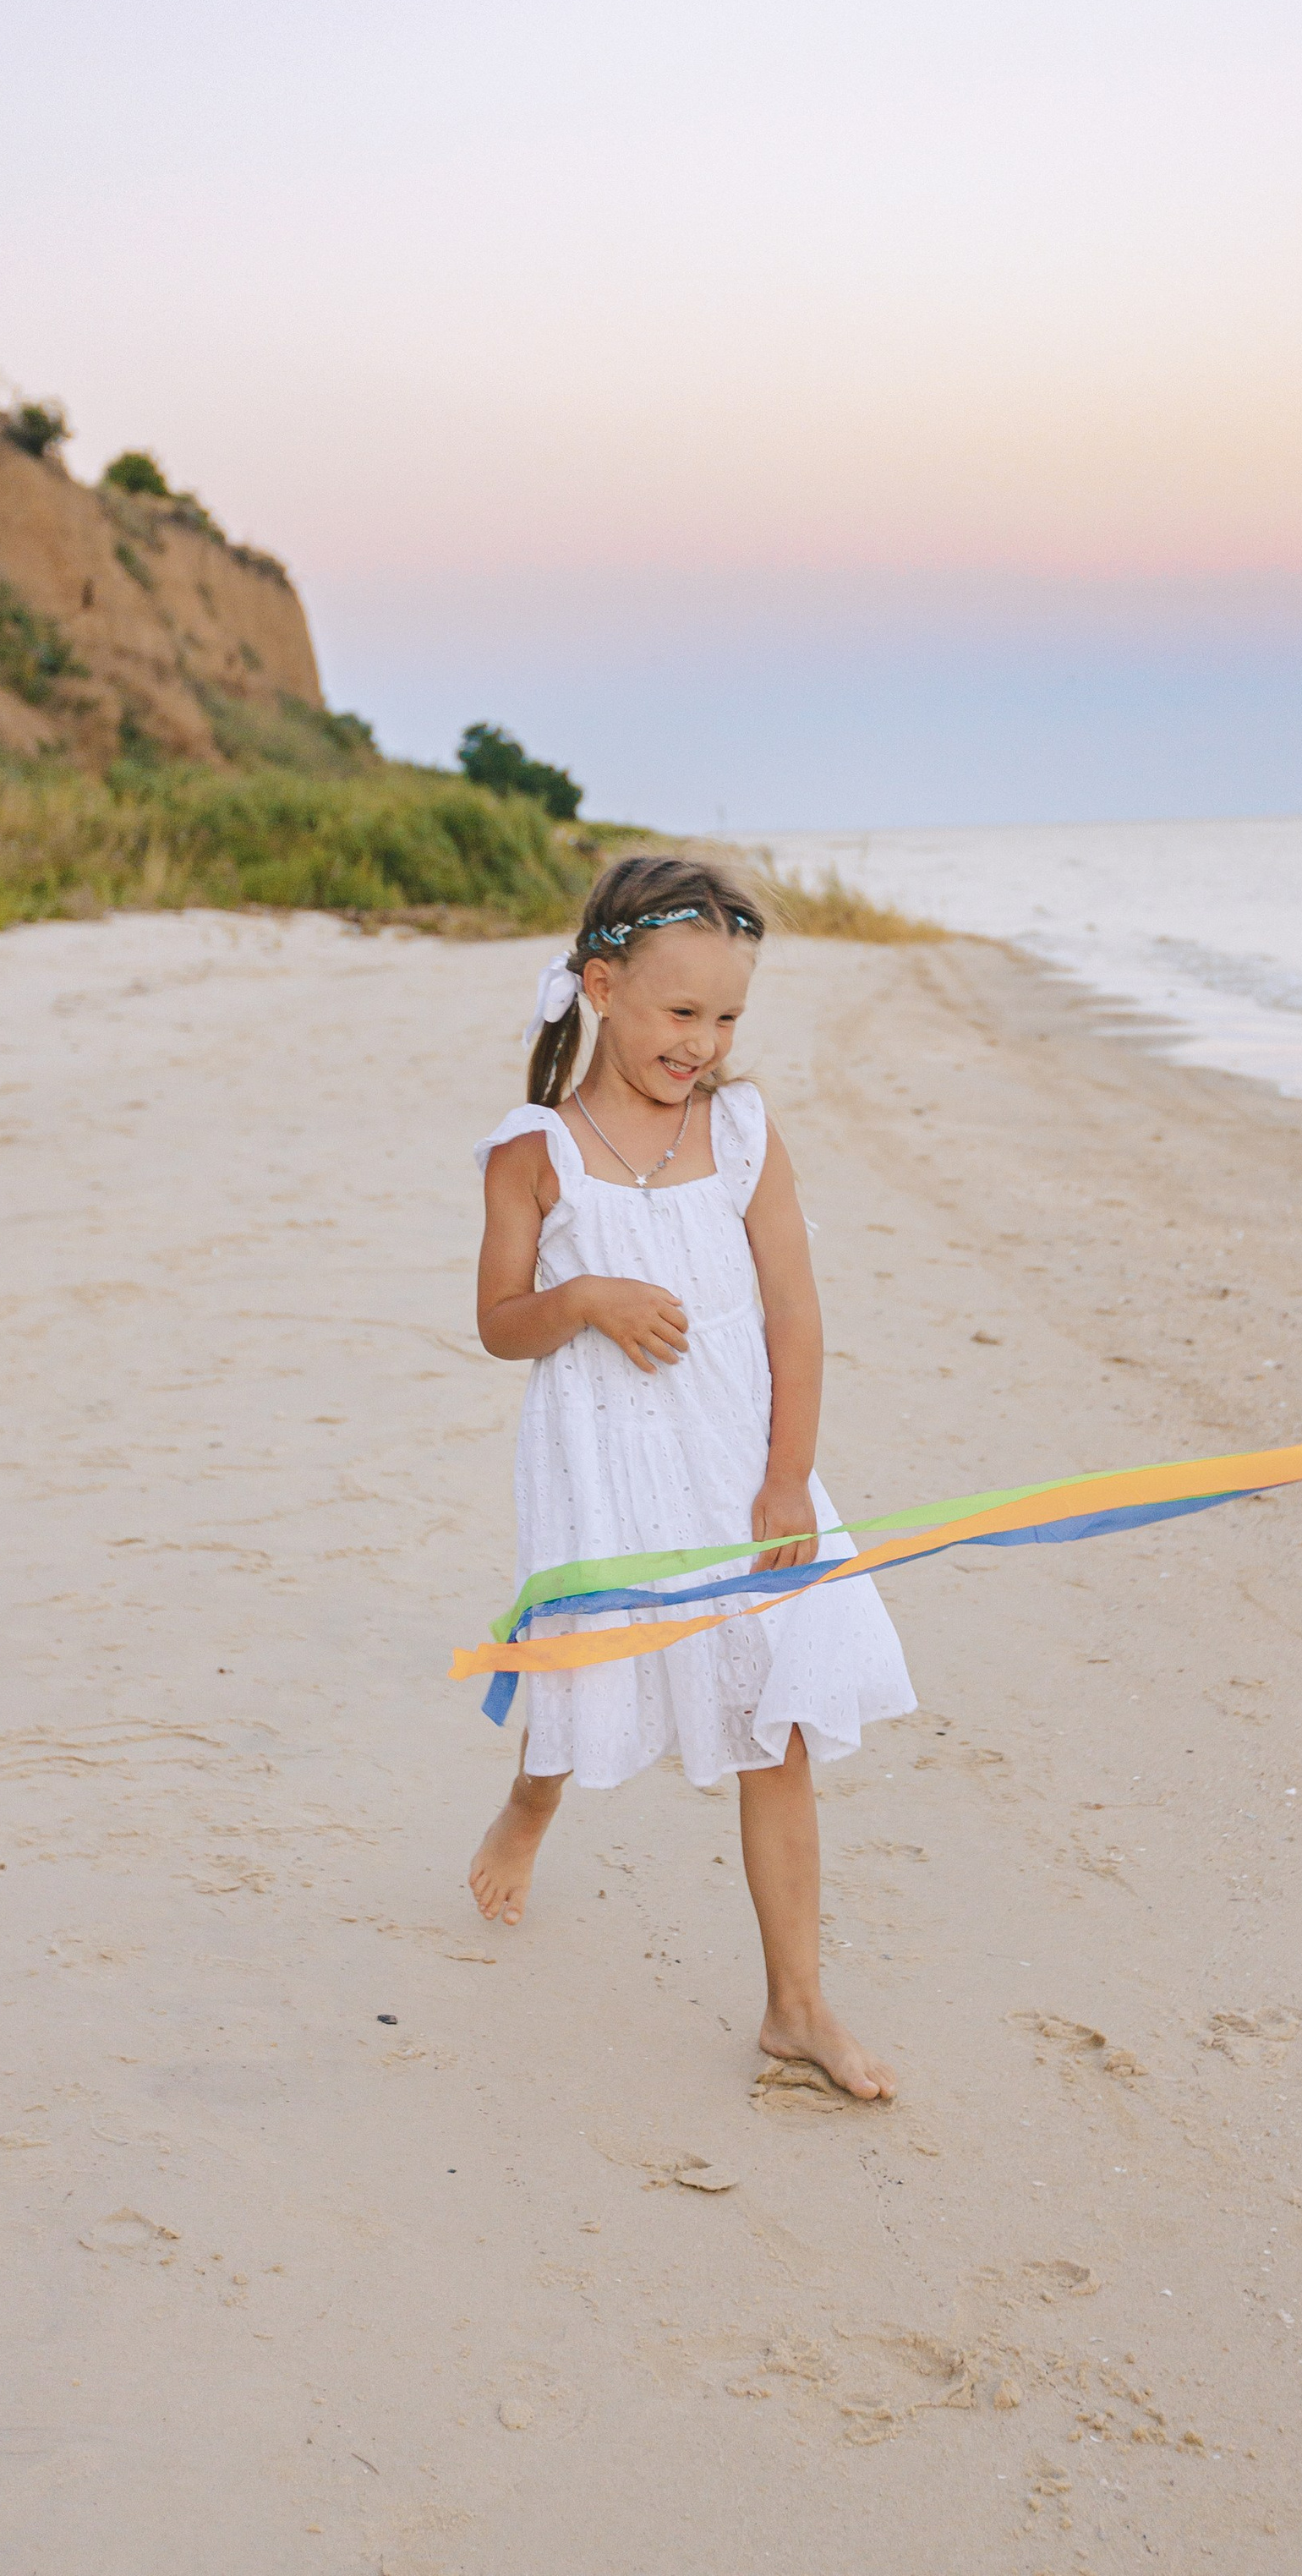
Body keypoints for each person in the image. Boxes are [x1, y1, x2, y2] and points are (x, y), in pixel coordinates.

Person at [466, 852, 916, 2099]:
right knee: (585, 1671)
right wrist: (588, 1296)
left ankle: (797, 2007)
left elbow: (796, 1318)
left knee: (776, 1720)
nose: (704, 1043)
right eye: (682, 1013)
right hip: (604, 1466)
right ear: (601, 988)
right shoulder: (536, 1149)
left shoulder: (743, 1134)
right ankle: (535, 1800)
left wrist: (790, 1482)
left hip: (741, 1464)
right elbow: (502, 1321)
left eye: (727, 1019)